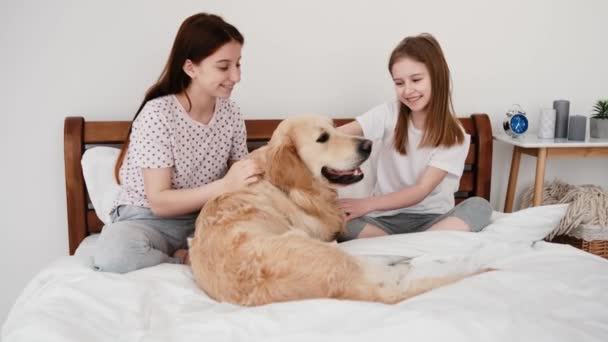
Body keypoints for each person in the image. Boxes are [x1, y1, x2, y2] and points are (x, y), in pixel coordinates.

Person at [93, 13, 262, 273]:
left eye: (238, 64)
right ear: (190, 67)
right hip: (149, 220)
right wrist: (226, 184)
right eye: (223, 66)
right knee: (115, 255)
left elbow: (243, 178)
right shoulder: (158, 115)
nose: (236, 76)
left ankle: (200, 250)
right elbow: (159, 202)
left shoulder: (231, 113)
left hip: (207, 218)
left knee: (266, 240)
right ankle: (183, 259)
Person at [337, 33, 492, 241]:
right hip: (384, 221)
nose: (408, 90)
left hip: (434, 220)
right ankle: (418, 245)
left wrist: (367, 204)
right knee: (338, 223)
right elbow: (336, 136)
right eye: (399, 83)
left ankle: (409, 244)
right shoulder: (386, 114)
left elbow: (421, 190)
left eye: (416, 80)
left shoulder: (453, 135)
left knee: (480, 207)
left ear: (437, 76)